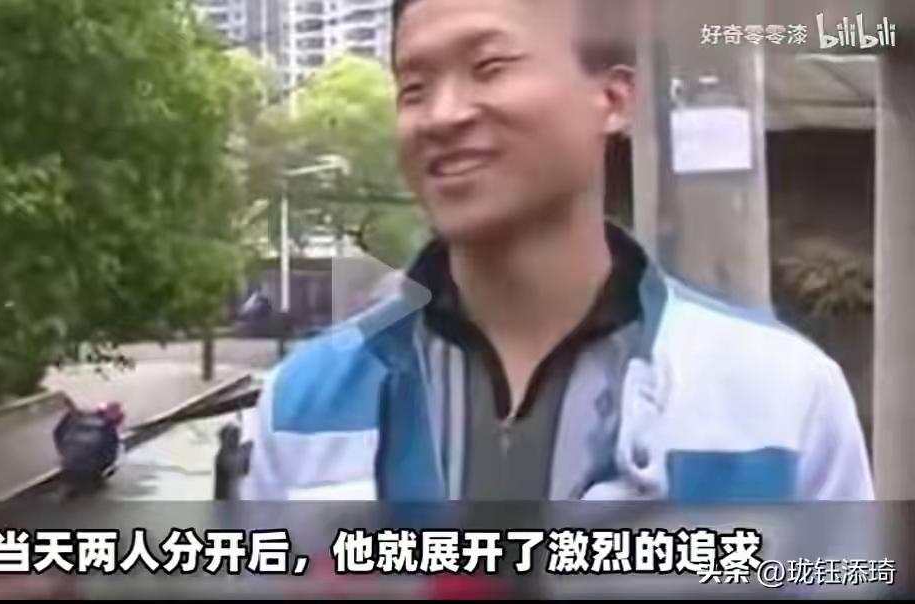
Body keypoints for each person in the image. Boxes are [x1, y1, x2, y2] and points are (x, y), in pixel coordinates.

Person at [240, 0, 874, 501]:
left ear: (613, 100)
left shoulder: (782, 397)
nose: (442, 115)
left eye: (489, 67)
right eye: (414, 88)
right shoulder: (305, 403)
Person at [53, 398, 125, 495]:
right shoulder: (108, 430)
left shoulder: (75, 419)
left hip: (68, 465)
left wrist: (64, 452)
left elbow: (57, 433)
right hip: (90, 470)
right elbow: (109, 456)